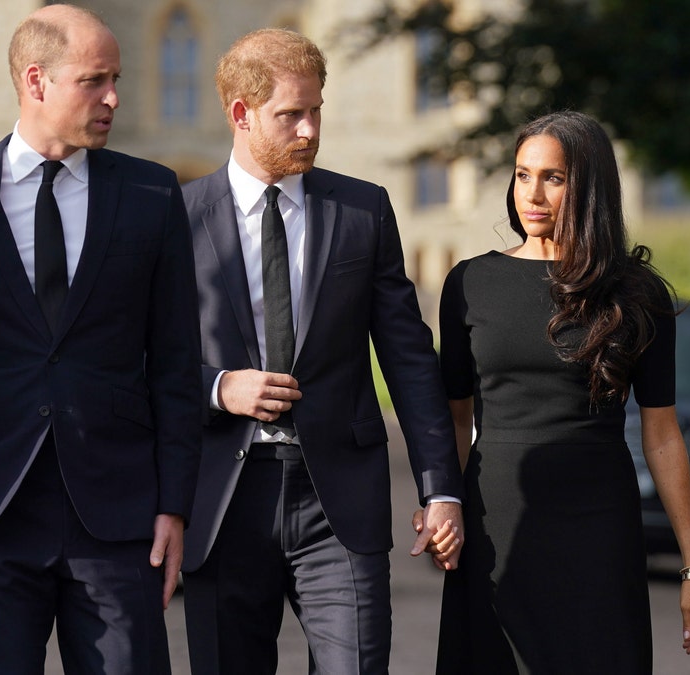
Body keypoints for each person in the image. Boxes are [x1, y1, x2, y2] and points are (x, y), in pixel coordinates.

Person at [0, 4, 201, 674]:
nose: (114, 97)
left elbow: (177, 365)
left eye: (115, 78)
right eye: (95, 80)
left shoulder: (153, 194)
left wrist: (175, 504)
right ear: (36, 82)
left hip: (119, 519)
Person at [180, 28, 466, 674]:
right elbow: (141, 358)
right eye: (290, 115)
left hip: (338, 503)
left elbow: (410, 358)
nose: (309, 130)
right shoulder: (178, 217)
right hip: (224, 499)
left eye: (316, 111)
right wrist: (221, 386)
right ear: (240, 114)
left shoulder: (363, 211)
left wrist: (439, 487)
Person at [432, 110, 690, 673]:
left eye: (553, 178)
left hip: (598, 530)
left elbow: (661, 435)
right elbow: (453, 415)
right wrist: (448, 504)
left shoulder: (637, 294)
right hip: (497, 526)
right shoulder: (470, 283)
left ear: (589, 187)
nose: (532, 194)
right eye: (522, 174)